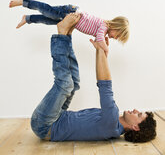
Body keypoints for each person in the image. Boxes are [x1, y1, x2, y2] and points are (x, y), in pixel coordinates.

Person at [13, 12, 156, 142]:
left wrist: (102, 53)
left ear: (135, 127)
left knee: (65, 84)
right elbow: (103, 80)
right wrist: (100, 51)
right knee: (74, 83)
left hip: (45, 125)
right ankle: (67, 33)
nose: (136, 110)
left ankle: (62, 35)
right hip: (58, 116)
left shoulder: (112, 121)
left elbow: (105, 85)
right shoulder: (113, 124)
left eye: (138, 115)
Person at [9, 0, 129, 56]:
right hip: (71, 12)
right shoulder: (104, 26)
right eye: (117, 36)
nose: (114, 38)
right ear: (116, 27)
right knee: (47, 11)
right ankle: (24, 2)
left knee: (49, 21)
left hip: (71, 19)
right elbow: (100, 38)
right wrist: (106, 49)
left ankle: (27, 18)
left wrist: (100, 48)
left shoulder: (103, 30)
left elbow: (99, 40)